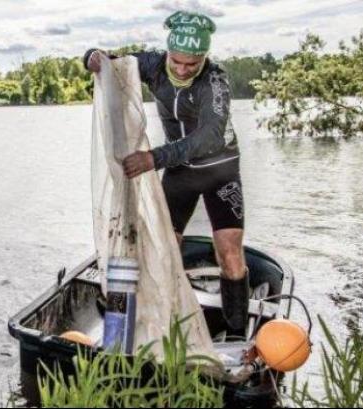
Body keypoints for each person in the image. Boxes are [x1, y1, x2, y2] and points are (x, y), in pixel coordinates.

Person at [84, 10, 249, 337]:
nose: (183, 69)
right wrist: (91, 57)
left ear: (203, 58)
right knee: (162, 248)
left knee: (229, 253)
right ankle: (166, 324)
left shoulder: (215, 81)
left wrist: (153, 158)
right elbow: (112, 61)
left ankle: (236, 332)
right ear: (168, 52)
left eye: (192, 63)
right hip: (180, 173)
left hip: (220, 171)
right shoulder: (153, 64)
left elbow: (209, 137)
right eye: (177, 61)